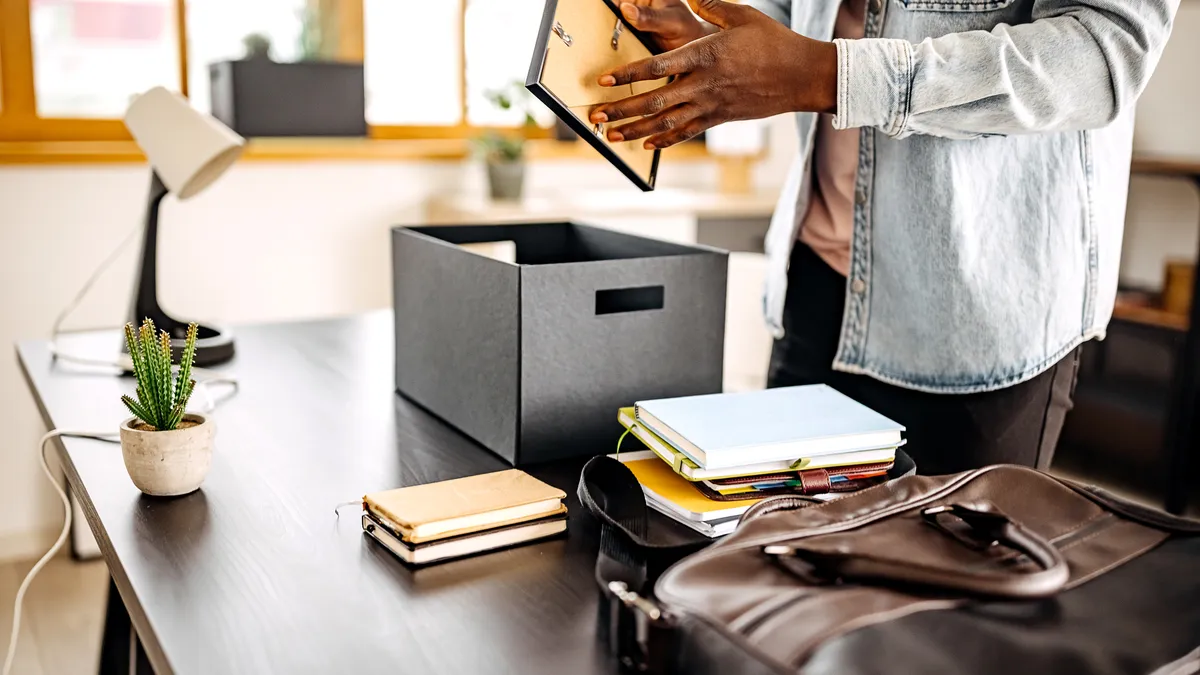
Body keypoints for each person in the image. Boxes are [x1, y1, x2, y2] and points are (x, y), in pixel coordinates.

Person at [591, 0, 1179, 475]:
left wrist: (830, 76)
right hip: (814, 287)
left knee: (947, 609)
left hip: (975, 319)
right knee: (782, 580)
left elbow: (1103, 57)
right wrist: (708, 32)